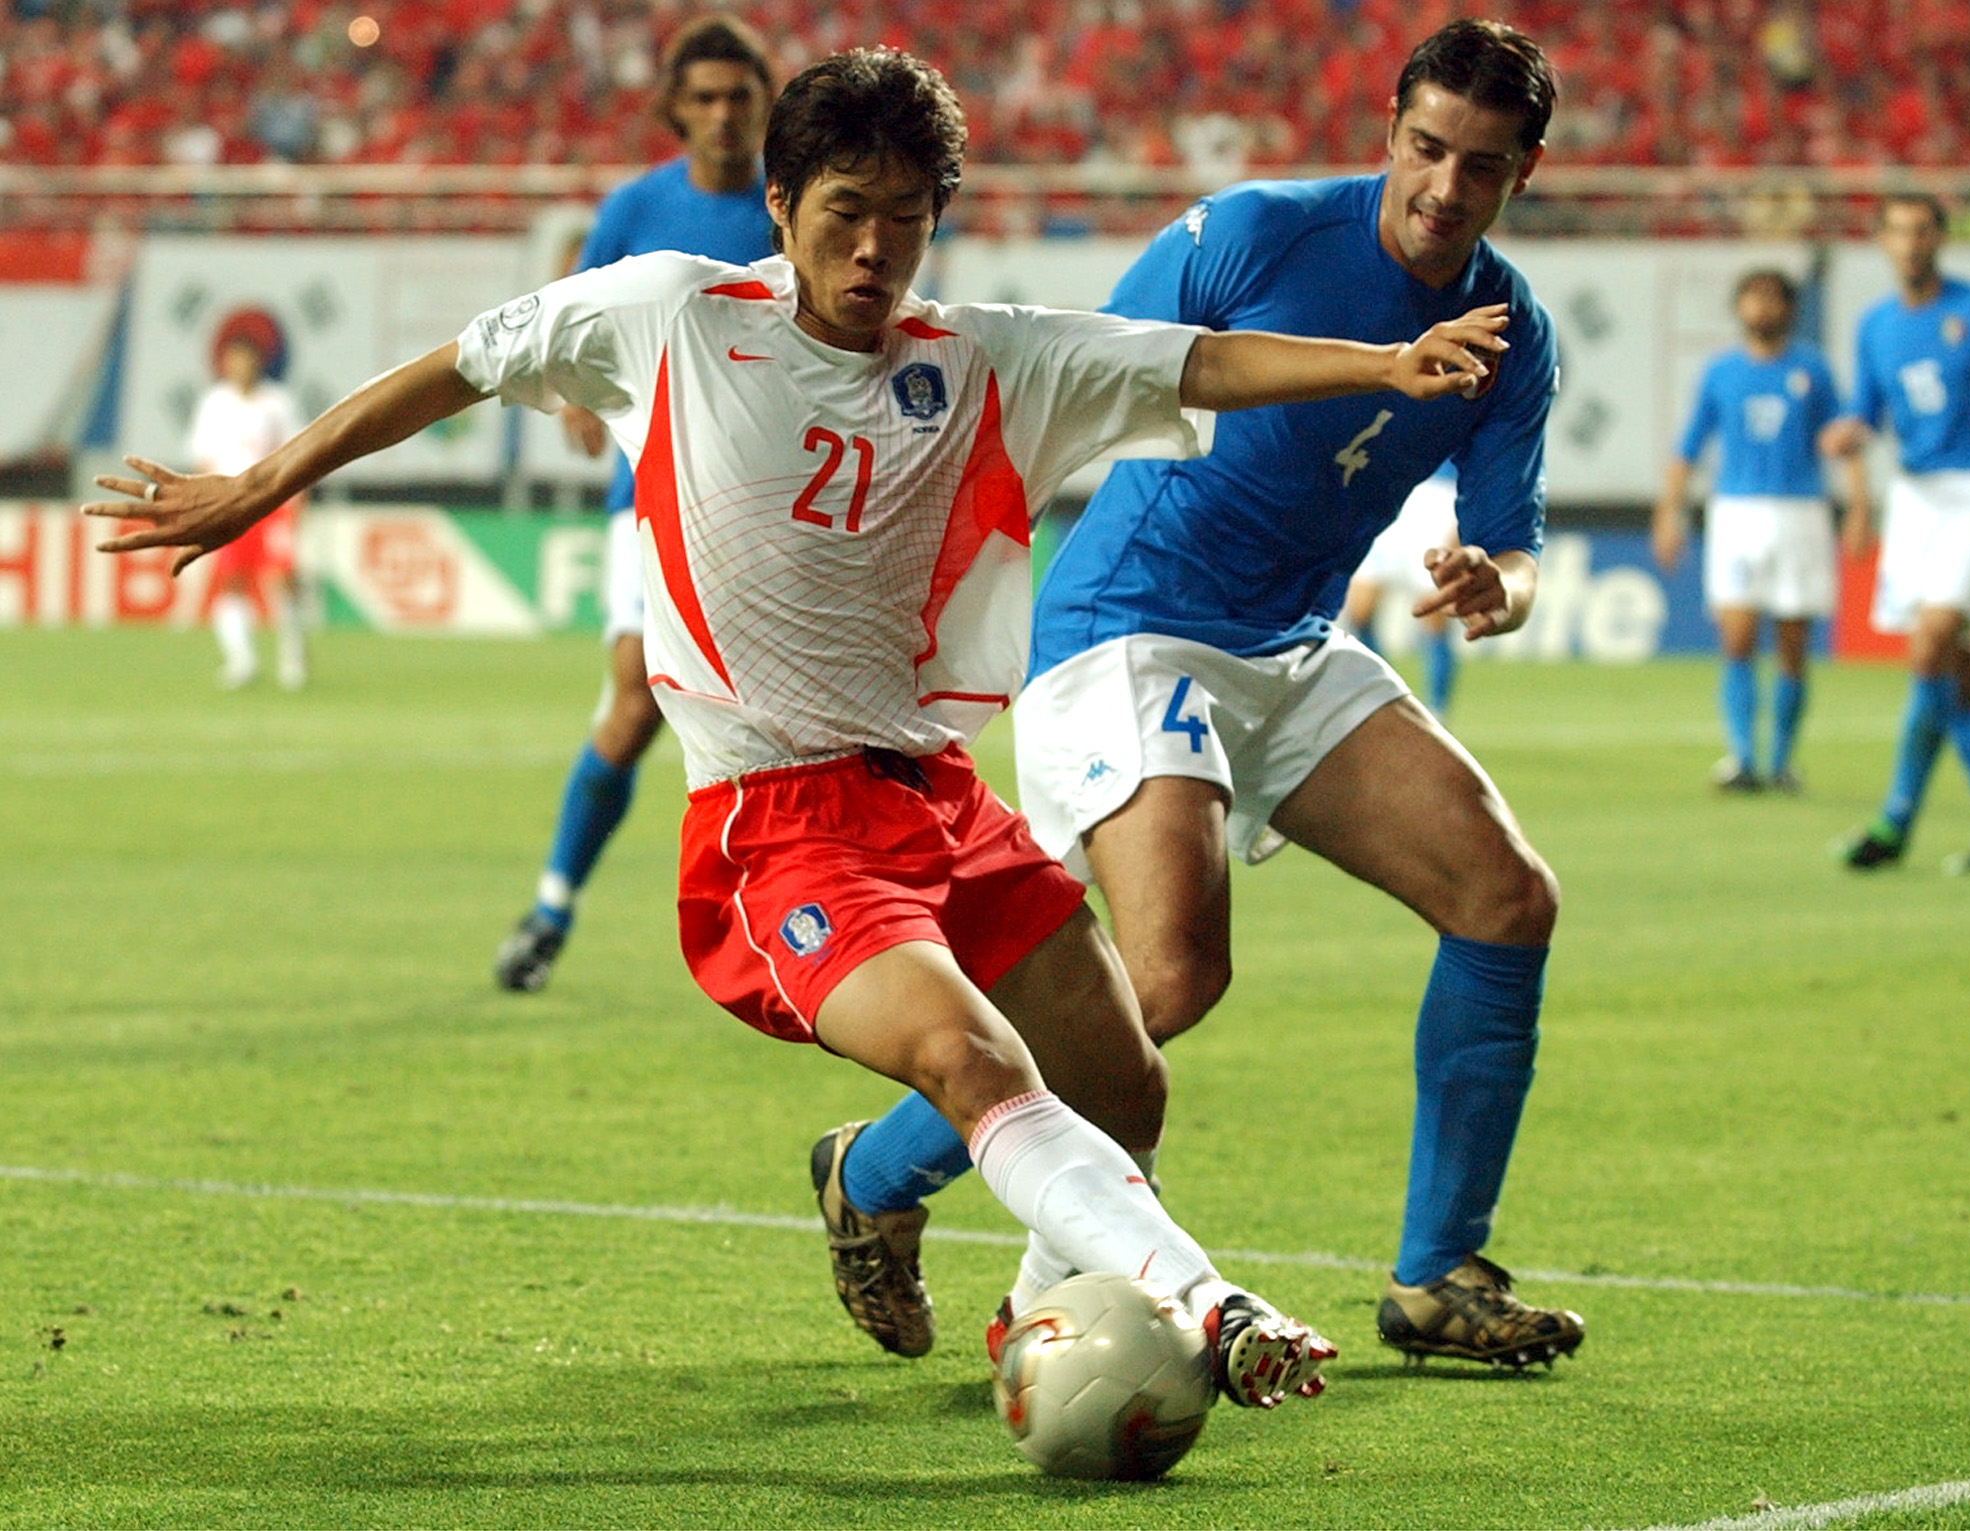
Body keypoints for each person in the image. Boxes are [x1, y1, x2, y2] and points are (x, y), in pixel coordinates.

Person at [90, 47, 1508, 1410]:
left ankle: (1028, 1306)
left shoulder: (988, 358)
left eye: (907, 218)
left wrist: (1384, 370)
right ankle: (1212, 1306)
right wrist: (265, 480)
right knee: (972, 1059)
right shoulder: (668, 313)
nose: (878, 251)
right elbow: (462, 363)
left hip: (940, 799)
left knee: (1125, 1079)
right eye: (847, 214)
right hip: (777, 818)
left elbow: (1197, 361)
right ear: (782, 207)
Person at [817, 18, 1586, 1374]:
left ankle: (1434, 1275)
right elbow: (1078, 366)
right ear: (1390, 129)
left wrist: (1496, 585)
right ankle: (878, 1173)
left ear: (1523, 171)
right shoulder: (1258, 234)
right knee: (1168, 973)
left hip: (1287, 640)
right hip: (1131, 622)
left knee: (1507, 894)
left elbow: (1513, 538)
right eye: (1425, 148)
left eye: (1481, 165)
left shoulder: (1515, 336)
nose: (1444, 188)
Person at [494, 14, 779, 992]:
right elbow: (563, 319)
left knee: (786, 722)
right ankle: (549, 907)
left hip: (774, 497)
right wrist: (574, 390)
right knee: (632, 704)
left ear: (762, 105)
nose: (722, 114)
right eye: (702, 97)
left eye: (738, 96)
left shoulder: (790, 209)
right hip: (652, 490)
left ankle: (812, 921)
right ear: (675, 110)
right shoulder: (632, 210)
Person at [1824, 193, 1970, 874]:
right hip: (1917, 498)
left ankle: (1898, 814)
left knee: (1932, 644)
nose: (1911, 241)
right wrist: (1852, 454)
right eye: (1899, 230)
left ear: (1940, 238)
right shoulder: (1876, 326)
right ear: (1883, 241)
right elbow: (1865, 411)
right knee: (1947, 665)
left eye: (1923, 230)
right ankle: (1900, 825)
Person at [1652, 268, 1842, 794]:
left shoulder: (1813, 369)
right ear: (1739, 307)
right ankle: (1741, 758)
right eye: (1753, 297)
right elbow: (1688, 447)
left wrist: (1861, 503)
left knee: (1792, 644)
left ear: (1789, 308)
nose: (1762, 308)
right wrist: (1670, 513)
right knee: (1736, 638)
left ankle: (1781, 762)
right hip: (1737, 513)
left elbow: (1841, 437)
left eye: (1773, 298)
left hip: (1801, 511)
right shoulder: (1721, 373)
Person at [190, 327, 308, 690]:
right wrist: (206, 505)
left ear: (258, 362)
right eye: (232, 359)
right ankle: (242, 660)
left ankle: (293, 657)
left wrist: (297, 501)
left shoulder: (278, 403)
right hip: (231, 504)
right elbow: (204, 458)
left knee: (282, 579)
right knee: (232, 581)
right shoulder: (215, 403)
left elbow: (299, 454)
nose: (239, 366)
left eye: (245, 359)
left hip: (271, 502)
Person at [1340, 467, 1462, 718]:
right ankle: (1385, 697)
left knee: (1434, 615)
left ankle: (1437, 710)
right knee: (1360, 611)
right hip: (1390, 488)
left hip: (1438, 498)